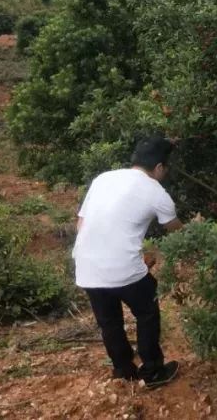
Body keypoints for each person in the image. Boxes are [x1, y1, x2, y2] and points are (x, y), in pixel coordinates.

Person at [73, 135, 183, 387]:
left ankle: (123, 370)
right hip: (122, 267)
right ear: (159, 167)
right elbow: (175, 230)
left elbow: (81, 223)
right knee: (147, 311)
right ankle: (153, 370)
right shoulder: (157, 192)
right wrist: (196, 229)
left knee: (109, 321)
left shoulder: (103, 179)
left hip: (86, 265)